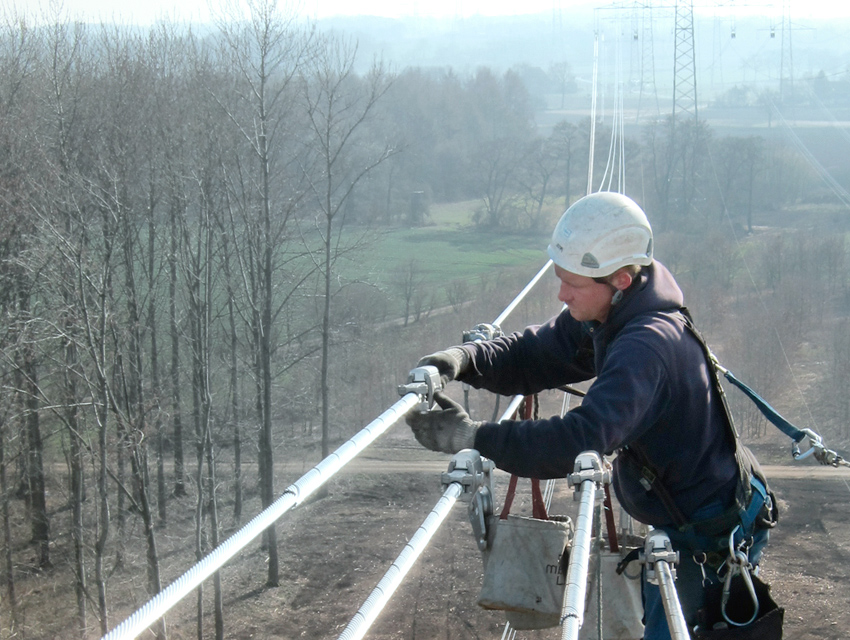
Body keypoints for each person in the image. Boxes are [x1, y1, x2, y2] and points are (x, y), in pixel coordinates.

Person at [406, 191, 775, 640]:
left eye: (573, 284)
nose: (562, 295)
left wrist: (472, 437)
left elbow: (577, 439)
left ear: (620, 278)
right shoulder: (615, 313)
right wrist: (459, 360)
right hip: (688, 515)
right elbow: (537, 353)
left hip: (708, 533)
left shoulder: (644, 346)